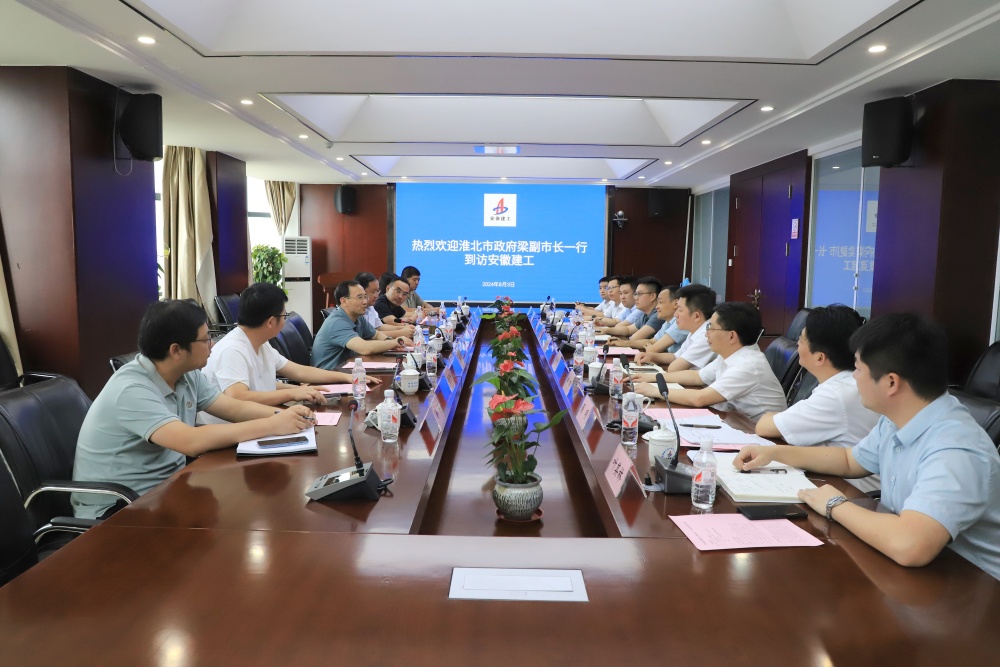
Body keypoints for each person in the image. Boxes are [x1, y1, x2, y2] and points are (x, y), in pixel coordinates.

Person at [735, 313, 1000, 579]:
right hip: (917, 569)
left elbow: (911, 545)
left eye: (859, 369)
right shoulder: (898, 417)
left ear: (891, 382)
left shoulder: (955, 450)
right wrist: (775, 453)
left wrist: (835, 504)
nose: (854, 377)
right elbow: (850, 460)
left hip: (972, 584)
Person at [72, 299, 314, 520]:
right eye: (205, 339)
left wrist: (286, 416)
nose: (212, 345)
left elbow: (233, 408)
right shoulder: (131, 389)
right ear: (176, 350)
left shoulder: (187, 375)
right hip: (119, 507)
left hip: (168, 489)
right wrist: (272, 424)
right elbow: (190, 441)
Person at [202, 283, 381, 417]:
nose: (285, 321)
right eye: (284, 316)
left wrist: (347, 377)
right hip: (231, 436)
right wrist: (292, 392)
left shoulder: (260, 343)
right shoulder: (233, 349)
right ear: (271, 321)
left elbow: (299, 371)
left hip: (258, 419)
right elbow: (238, 397)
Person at [755, 305, 880, 491]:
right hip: (836, 480)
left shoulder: (836, 395)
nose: (797, 345)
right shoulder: (847, 384)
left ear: (820, 358)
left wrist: (773, 423)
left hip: (854, 492)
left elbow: (764, 427)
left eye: (801, 340)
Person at [636, 301, 786, 421]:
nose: (706, 334)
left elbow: (700, 398)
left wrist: (654, 391)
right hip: (735, 420)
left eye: (711, 328)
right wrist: (651, 377)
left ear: (731, 336)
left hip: (756, 432)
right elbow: (697, 376)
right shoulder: (730, 354)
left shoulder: (749, 365)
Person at [312, 280, 411, 370]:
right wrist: (396, 342)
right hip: (329, 372)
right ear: (344, 301)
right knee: (369, 360)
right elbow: (365, 348)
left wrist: (388, 341)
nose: (365, 302)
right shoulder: (336, 322)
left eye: (365, 297)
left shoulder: (358, 317)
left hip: (347, 365)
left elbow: (376, 334)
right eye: (360, 297)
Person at [635, 283, 716, 372]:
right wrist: (651, 356)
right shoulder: (695, 331)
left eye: (680, 310)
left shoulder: (706, 335)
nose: (675, 314)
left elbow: (674, 368)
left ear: (696, 316)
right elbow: (676, 356)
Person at [623, 285, 688, 352]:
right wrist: (622, 343)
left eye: (660, 302)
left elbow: (653, 349)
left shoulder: (681, 322)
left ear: (676, 304)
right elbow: (653, 342)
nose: (657, 307)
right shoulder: (668, 322)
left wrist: (624, 343)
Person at [355, 272, 414, 338]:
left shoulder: (371, 308)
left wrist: (402, 328)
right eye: (373, 292)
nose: (376, 295)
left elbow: (379, 327)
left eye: (377, 291)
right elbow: (369, 335)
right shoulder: (356, 311)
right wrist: (400, 333)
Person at [603, 276, 662, 341]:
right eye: (635, 294)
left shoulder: (658, 315)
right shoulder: (645, 315)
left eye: (639, 294)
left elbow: (634, 338)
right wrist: (604, 330)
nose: (635, 298)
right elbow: (628, 329)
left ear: (652, 296)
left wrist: (619, 341)